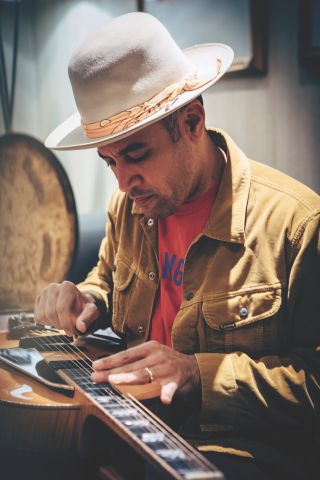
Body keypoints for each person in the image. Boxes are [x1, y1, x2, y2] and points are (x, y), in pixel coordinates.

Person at [36, 12, 320, 480]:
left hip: (239, 450)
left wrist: (196, 375)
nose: (124, 181)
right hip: (130, 425)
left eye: (137, 154)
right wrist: (87, 301)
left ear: (192, 120)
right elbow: (106, 279)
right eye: (110, 162)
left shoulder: (297, 225)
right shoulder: (127, 208)